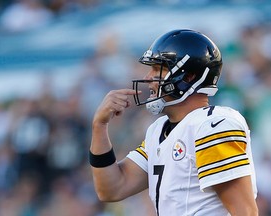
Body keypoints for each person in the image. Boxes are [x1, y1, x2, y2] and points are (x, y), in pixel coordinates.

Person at [89, 29, 258, 216]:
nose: (148, 77)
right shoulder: (158, 131)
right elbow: (112, 188)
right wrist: (99, 127)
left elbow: (245, 212)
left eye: (157, 68)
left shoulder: (211, 125)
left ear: (188, 77)